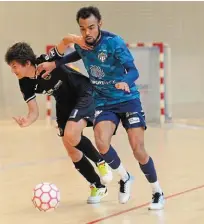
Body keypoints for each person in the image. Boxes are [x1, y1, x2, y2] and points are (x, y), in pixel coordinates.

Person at [35, 6, 165, 209]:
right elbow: (75, 55)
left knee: (138, 149)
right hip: (104, 102)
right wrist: (55, 64)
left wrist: (125, 81)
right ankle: (125, 177)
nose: (87, 32)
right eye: (83, 28)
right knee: (101, 142)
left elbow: (133, 70)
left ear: (100, 25)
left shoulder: (114, 42)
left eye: (91, 27)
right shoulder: (82, 43)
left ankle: (157, 191)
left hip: (127, 99)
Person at [4, 41, 113, 204]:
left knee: (72, 133)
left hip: (83, 93)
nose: (13, 71)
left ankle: (100, 161)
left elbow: (65, 42)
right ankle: (97, 185)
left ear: (27, 63)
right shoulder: (24, 83)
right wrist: (27, 121)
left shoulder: (43, 61)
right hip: (63, 102)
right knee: (71, 150)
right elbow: (33, 112)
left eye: (14, 66)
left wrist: (78, 39)